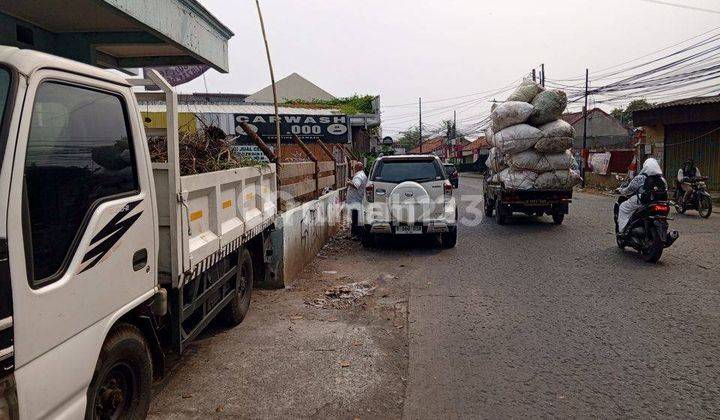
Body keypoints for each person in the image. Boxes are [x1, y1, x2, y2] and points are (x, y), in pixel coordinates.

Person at [617, 158, 666, 233]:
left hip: (643, 201)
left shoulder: (640, 178)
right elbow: (665, 189)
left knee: (623, 207)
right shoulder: (662, 179)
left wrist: (621, 190)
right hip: (659, 202)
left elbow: (629, 190)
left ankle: (622, 231)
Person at [346, 161, 368, 237]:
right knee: (356, 217)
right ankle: (355, 234)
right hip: (357, 199)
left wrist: (348, 182)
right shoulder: (362, 174)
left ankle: (356, 235)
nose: (354, 168)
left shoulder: (359, 176)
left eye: (355, 167)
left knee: (355, 218)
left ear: (358, 167)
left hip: (355, 200)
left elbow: (356, 185)